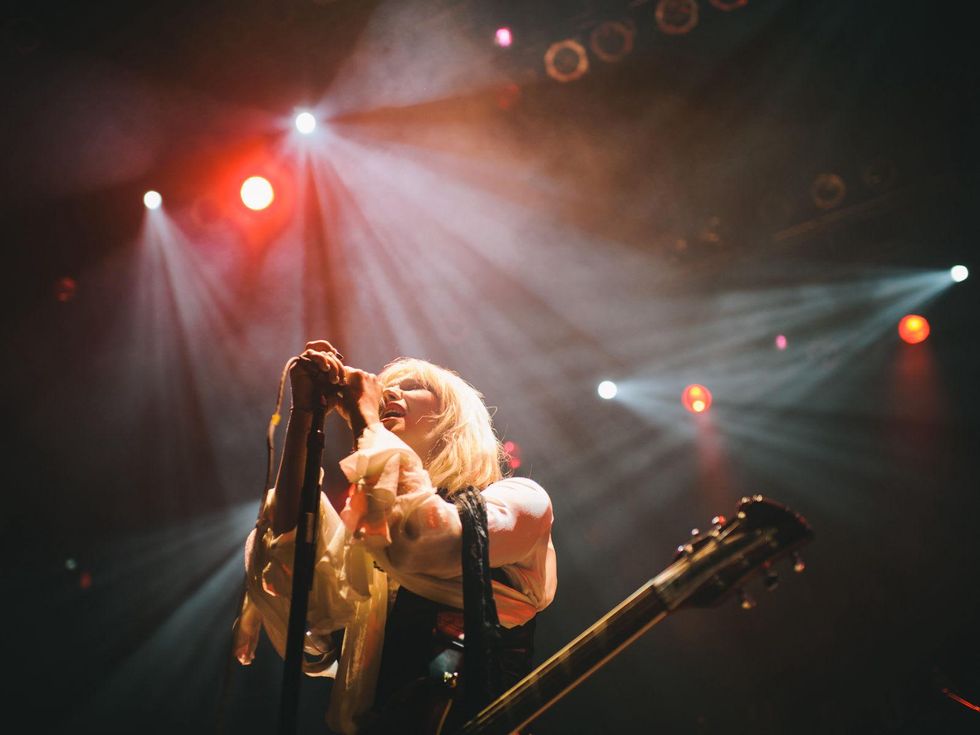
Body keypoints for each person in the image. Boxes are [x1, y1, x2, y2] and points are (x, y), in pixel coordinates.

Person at [233, 340, 557, 734]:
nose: (389, 391)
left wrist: (366, 418)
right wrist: (303, 417)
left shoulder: (521, 501)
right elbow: (291, 552)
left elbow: (425, 539)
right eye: (387, 386)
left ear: (452, 420)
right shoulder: (372, 540)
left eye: (413, 385)